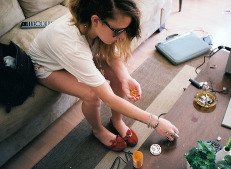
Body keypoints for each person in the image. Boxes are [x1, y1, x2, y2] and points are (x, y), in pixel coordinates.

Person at [28, 0, 179, 152]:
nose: (122, 37)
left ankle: (116, 121)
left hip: (73, 54)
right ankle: (98, 130)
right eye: (119, 31)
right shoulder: (72, 46)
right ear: (96, 21)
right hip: (46, 67)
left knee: (118, 76)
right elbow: (108, 98)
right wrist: (155, 122)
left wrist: (125, 77)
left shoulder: (95, 24)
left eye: (125, 30)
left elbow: (112, 53)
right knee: (92, 94)